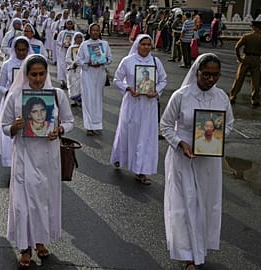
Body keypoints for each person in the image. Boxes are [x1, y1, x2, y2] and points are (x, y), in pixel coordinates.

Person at [160, 53, 234, 270]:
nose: (210, 79)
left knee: (206, 204)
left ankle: (200, 247)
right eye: (206, 75)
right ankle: (187, 255)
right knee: (185, 204)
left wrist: (215, 140)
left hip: (208, 161)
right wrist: (181, 143)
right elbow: (165, 125)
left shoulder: (221, 97)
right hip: (183, 158)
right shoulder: (181, 96)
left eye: (215, 75)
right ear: (197, 73)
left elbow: (229, 124)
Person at [1, 54, 74, 268]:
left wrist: (59, 130)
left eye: (42, 74)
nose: (38, 79)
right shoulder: (15, 96)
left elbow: (69, 122)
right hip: (24, 158)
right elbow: (5, 127)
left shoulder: (57, 95)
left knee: (43, 202)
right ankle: (25, 248)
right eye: (34, 74)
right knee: (22, 205)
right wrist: (16, 126)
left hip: (48, 157)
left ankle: (40, 242)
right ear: (26, 74)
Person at [110, 34, 167, 185]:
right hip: (132, 104)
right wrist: (128, 88)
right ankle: (119, 157)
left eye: (149, 44)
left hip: (149, 106)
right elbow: (117, 79)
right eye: (143, 44)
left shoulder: (155, 62)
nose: (146, 47)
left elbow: (163, 80)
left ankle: (141, 170)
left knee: (145, 136)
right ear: (137, 45)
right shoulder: (128, 61)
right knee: (127, 132)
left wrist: (157, 91)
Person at [0, 36, 33, 167]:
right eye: (19, 50)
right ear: (14, 49)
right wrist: (9, 94)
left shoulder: (33, 64)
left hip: (30, 103)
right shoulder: (7, 64)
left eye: (24, 50)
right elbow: (0, 85)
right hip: (10, 104)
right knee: (11, 133)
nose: (21, 53)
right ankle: (12, 163)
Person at [75, 23, 112, 136]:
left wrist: (102, 61)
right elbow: (78, 60)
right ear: (89, 32)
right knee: (88, 99)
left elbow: (109, 59)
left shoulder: (104, 44)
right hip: (87, 74)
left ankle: (97, 125)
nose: (95, 32)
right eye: (93, 30)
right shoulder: (84, 45)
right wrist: (88, 63)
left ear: (99, 32)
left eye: (97, 30)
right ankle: (89, 126)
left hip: (100, 74)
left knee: (97, 99)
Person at [228, 19, 261, 107]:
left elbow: (237, 47)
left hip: (246, 58)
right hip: (257, 59)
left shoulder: (247, 36)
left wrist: (239, 57)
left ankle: (233, 96)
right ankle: (255, 99)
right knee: (256, 81)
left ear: (253, 27)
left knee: (239, 79)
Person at [56, 19, 76, 89]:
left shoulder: (75, 33)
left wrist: (71, 45)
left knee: (69, 66)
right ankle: (63, 81)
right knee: (62, 66)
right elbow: (58, 41)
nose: (69, 25)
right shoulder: (62, 32)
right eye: (68, 24)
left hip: (71, 52)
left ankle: (69, 82)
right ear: (65, 25)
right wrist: (62, 44)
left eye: (71, 24)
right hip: (62, 51)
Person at [65, 32, 84, 105]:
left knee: (80, 85)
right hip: (73, 69)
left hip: (81, 69)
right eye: (77, 38)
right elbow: (67, 58)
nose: (79, 40)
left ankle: (79, 99)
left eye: (80, 38)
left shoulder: (83, 48)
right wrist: (73, 63)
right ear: (75, 39)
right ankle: (73, 99)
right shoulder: (71, 48)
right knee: (73, 84)